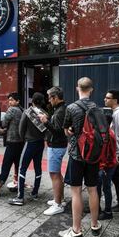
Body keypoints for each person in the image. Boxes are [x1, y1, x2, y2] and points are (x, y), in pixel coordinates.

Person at [58, 77, 102, 237]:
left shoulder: (71, 108)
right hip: (93, 155)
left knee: (76, 191)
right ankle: (95, 224)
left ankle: (76, 230)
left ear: (78, 89)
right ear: (91, 90)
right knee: (93, 189)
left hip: (77, 154)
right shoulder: (97, 107)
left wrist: (71, 131)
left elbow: (66, 131)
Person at [8, 92, 47, 206]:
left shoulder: (27, 112)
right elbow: (46, 128)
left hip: (29, 143)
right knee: (38, 168)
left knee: (22, 169)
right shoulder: (45, 113)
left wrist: (24, 138)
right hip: (40, 143)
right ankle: (35, 193)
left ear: (32, 101)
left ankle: (20, 197)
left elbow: (21, 129)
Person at [38, 87, 68, 215]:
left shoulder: (60, 111)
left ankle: (58, 204)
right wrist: (48, 119)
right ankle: (59, 199)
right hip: (57, 145)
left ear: (55, 97)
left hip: (56, 145)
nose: (49, 101)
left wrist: (45, 122)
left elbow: (58, 131)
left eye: (50, 98)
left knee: (54, 174)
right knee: (57, 174)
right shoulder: (60, 109)